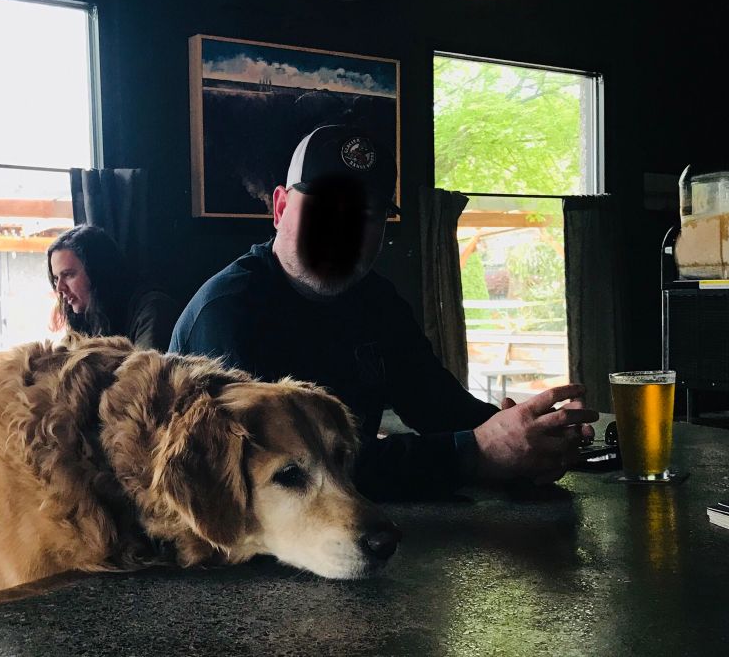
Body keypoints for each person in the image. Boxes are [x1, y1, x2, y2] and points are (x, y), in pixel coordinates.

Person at [170, 124, 597, 501]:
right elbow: (289, 475)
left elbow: (437, 405)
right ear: (280, 208)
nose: (345, 230)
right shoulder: (228, 312)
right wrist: (477, 452)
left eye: (368, 215)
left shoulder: (375, 300)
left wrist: (527, 432)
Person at [47, 224, 178, 351]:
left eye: (68, 275)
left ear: (98, 272)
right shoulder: (86, 318)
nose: (59, 287)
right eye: (56, 278)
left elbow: (146, 371)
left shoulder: (152, 309)